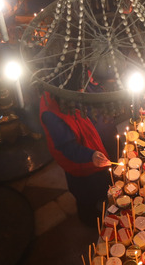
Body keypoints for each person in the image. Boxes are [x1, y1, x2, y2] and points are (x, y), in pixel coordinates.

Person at [38, 87, 116, 226]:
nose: (82, 93)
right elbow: (68, 148)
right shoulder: (51, 114)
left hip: (91, 147)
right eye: (78, 92)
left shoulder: (70, 90)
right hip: (80, 163)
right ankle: (90, 219)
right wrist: (90, 155)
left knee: (101, 185)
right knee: (86, 195)